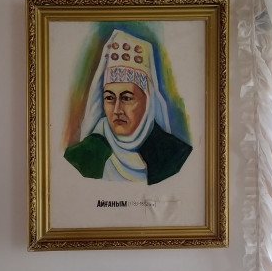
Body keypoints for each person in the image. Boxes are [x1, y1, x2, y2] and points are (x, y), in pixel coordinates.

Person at [64, 29, 192, 185]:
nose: (117, 110)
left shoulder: (173, 155)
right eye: (109, 98)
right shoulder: (82, 155)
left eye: (126, 98)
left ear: (148, 102)